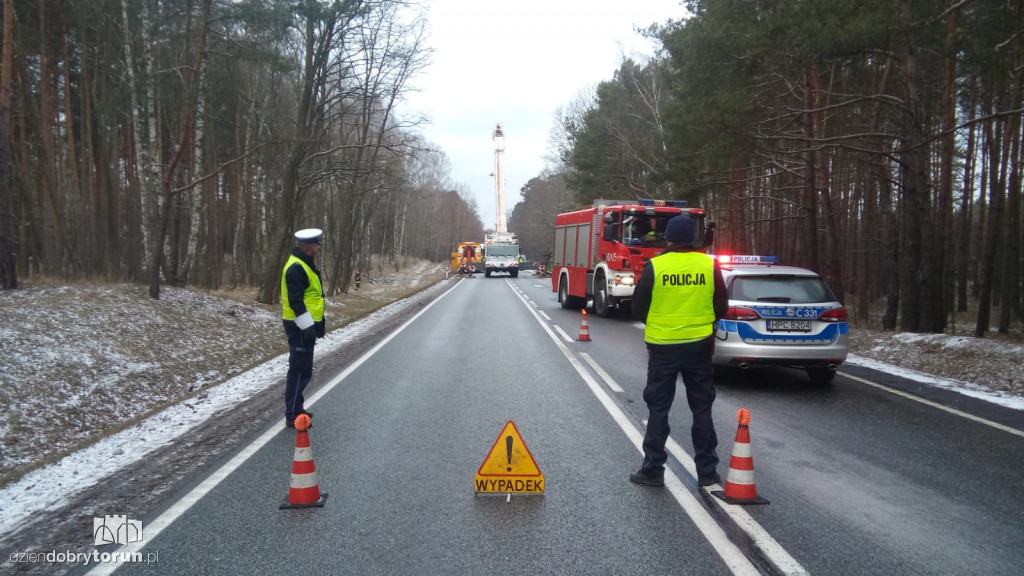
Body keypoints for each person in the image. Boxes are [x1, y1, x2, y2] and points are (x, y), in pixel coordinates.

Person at [629, 215, 728, 488]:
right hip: (699, 346)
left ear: (669, 239)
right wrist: (702, 325)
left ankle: (653, 470)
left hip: (662, 347)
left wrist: (660, 324)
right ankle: (707, 472)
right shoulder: (709, 265)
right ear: (692, 239)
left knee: (658, 408)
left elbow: (638, 306)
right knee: (702, 408)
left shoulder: (656, 266)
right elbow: (721, 304)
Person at [281, 228, 326, 428]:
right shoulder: (297, 267)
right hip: (299, 325)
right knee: (299, 370)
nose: (317, 248)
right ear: (309, 246)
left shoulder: (304, 264)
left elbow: (314, 298)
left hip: (304, 325)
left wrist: (318, 325)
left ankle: (297, 408)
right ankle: (292, 414)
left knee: (303, 369)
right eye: (316, 244)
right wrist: (308, 327)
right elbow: (296, 301)